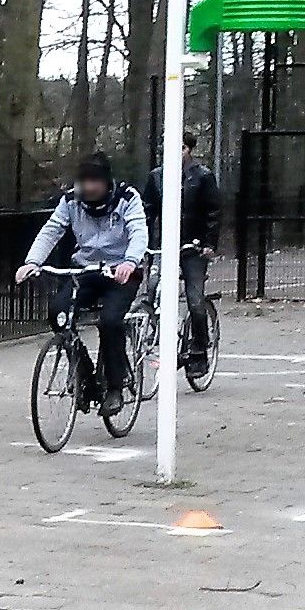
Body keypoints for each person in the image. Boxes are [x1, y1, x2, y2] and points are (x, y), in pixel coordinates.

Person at [15, 152, 148, 417]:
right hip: (86, 269)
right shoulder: (70, 201)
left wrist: (130, 261)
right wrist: (32, 262)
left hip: (121, 272)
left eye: (94, 181)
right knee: (59, 312)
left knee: (110, 321)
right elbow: (52, 230)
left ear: (106, 181)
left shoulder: (127, 198)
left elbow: (138, 231)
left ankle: (115, 386)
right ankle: (83, 373)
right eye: (84, 181)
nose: (89, 187)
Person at [142, 132, 223, 378]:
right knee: (152, 288)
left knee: (195, 298)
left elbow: (213, 211)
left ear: (189, 150)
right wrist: (142, 243)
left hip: (192, 246)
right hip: (163, 245)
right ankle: (158, 333)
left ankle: (199, 350)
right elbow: (147, 212)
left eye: (181, 148)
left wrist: (209, 244)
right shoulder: (156, 177)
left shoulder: (203, 176)